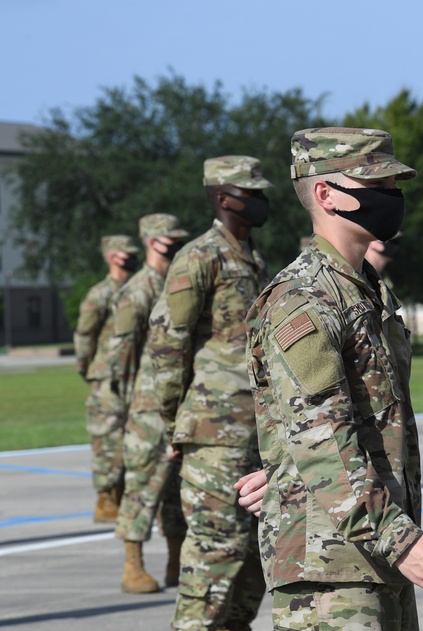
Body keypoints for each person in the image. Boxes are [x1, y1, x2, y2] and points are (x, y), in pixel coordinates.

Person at [244, 127, 423, 631]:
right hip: (333, 568)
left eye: (393, 186)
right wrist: (405, 542)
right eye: (377, 185)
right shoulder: (304, 301)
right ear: (325, 194)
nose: (392, 199)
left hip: (372, 552)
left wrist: (287, 465)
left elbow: (328, 425)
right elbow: (324, 441)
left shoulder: (365, 292)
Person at [153, 155, 272, 631]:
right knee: (214, 559)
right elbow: (167, 341)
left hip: (255, 434)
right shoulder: (200, 256)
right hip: (213, 435)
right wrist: (174, 420)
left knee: (250, 568)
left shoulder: (254, 257)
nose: (262, 201)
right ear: (224, 199)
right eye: (253, 193)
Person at [109, 214, 190, 594]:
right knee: (142, 487)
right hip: (145, 408)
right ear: (150, 241)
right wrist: (126, 408)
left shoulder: (176, 283)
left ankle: (176, 561)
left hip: (177, 402)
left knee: (175, 491)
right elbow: (120, 357)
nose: (174, 244)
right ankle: (132, 565)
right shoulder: (137, 291)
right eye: (168, 239)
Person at [74, 233, 140, 523]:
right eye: (126, 253)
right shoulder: (100, 294)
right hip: (107, 377)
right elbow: (85, 336)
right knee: (107, 436)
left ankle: (126, 493)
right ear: (113, 257)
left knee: (132, 436)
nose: (131, 257)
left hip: (134, 375)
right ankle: (106, 497)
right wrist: (89, 369)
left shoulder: (137, 289)